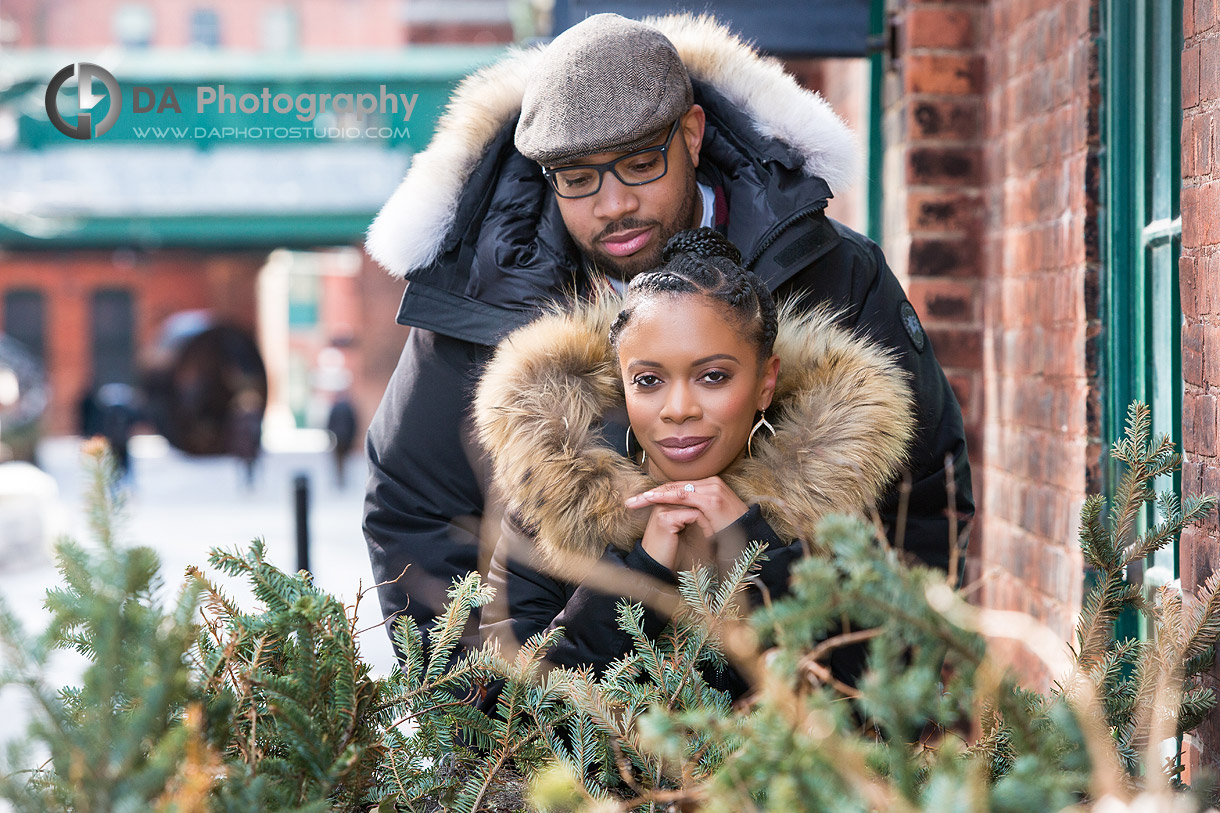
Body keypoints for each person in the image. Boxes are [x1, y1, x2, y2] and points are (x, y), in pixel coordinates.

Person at [363, 13, 973, 662]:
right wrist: (487, 726)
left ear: (690, 133)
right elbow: (415, 509)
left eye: (638, 163)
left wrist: (891, 701)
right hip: (570, 731)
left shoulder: (828, 270)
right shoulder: (477, 298)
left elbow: (924, 500)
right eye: (577, 178)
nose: (613, 204)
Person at [473, 229, 916, 688]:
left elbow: (873, 707)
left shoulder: (836, 516)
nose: (678, 408)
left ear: (766, 382)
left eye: (713, 376)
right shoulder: (549, 509)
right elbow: (502, 724)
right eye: (647, 380)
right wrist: (640, 575)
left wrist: (752, 548)